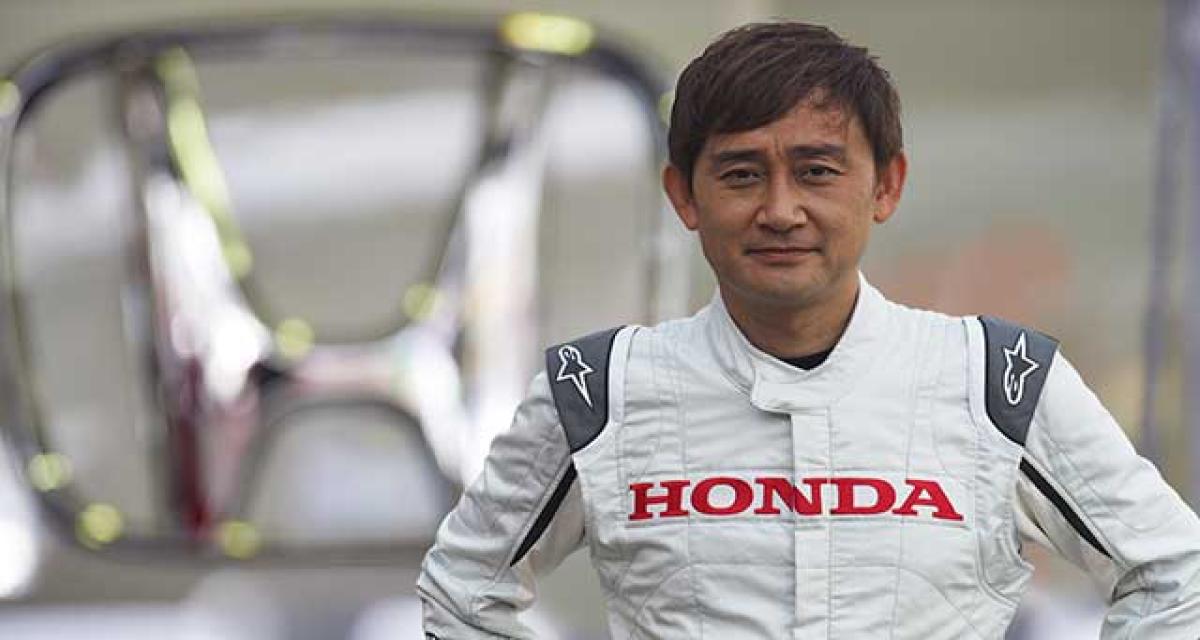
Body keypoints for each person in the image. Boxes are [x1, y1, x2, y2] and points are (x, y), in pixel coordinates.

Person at [417, 21, 1200, 638]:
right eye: (741, 174)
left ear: (886, 185)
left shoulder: (999, 381)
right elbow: (463, 592)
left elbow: (1174, 576)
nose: (781, 210)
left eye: (817, 171)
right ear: (683, 196)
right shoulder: (599, 393)